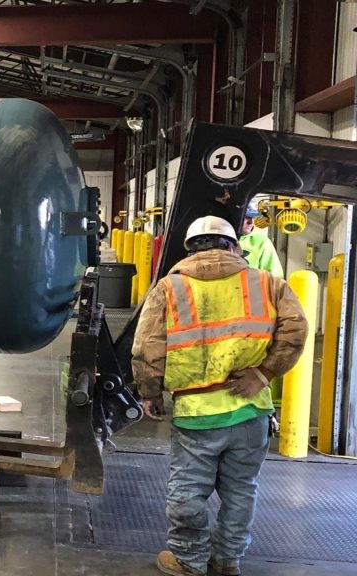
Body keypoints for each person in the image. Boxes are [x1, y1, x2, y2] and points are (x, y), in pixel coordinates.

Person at [132, 215, 307, 576]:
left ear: (189, 249)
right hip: (251, 411)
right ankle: (228, 561)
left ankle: (188, 559)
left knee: (188, 492)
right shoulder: (268, 284)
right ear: (232, 246)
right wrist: (263, 374)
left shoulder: (169, 288)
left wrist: (150, 392)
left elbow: (148, 345)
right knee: (241, 491)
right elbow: (296, 331)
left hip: (197, 413)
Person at [239, 202, 284, 278]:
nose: (251, 222)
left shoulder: (262, 242)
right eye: (246, 217)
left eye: (253, 217)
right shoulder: (219, 240)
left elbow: (276, 280)